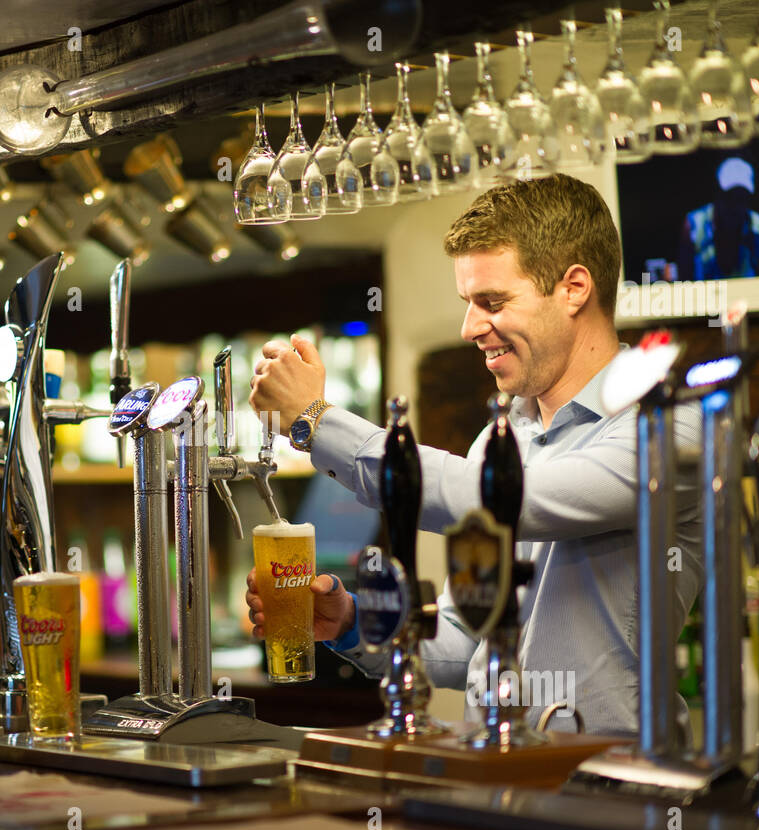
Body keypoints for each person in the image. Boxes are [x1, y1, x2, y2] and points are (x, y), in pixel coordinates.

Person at [246, 174, 702, 736]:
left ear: (575, 288)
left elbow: (513, 501)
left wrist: (317, 422)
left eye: (492, 301)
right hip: (497, 771)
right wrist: (354, 622)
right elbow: (473, 642)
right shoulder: (500, 437)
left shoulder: (667, 426)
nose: (469, 328)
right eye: (468, 303)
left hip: (612, 778)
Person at [679, 156, 759, 280]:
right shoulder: (693, 226)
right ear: (717, 193)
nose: (734, 206)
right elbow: (683, 281)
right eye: (729, 196)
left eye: (741, 198)